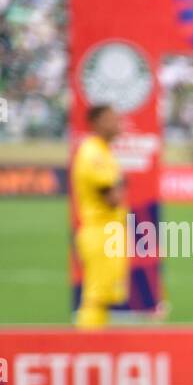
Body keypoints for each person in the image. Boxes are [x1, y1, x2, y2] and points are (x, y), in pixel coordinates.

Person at [72, 104, 125, 329]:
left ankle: (97, 345)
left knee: (101, 298)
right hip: (100, 231)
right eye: (111, 118)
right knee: (95, 298)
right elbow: (112, 197)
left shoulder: (102, 150)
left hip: (107, 232)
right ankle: (86, 346)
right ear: (97, 122)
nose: (117, 122)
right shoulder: (93, 152)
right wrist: (121, 185)